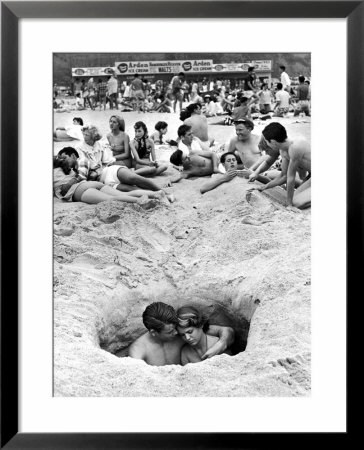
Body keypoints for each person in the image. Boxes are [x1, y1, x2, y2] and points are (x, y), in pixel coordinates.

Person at [58, 125, 173, 197]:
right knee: (130, 189)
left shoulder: (101, 145)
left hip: (107, 172)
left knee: (135, 178)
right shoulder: (79, 148)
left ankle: (163, 191)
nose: (84, 137)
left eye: (87, 135)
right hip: (101, 181)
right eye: (84, 134)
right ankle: (157, 195)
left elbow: (107, 162)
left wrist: (97, 171)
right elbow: (83, 168)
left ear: (94, 136)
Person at [128, 302, 234, 366]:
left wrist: (221, 344)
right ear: (153, 332)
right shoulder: (138, 350)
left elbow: (226, 331)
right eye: (170, 331)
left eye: (175, 328)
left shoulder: (180, 331)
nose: (176, 333)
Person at [54, 147, 165, 206]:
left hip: (78, 190)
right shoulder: (68, 168)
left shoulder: (57, 172)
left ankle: (147, 202)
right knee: (124, 193)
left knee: (112, 199)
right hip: (91, 184)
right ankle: (156, 194)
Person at [249, 122, 311, 209]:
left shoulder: (295, 147)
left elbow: (291, 177)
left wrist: (289, 204)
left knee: (296, 203)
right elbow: (284, 176)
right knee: (295, 198)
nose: (267, 144)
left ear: (273, 142)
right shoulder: (283, 150)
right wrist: (264, 187)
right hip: (310, 175)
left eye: (267, 142)